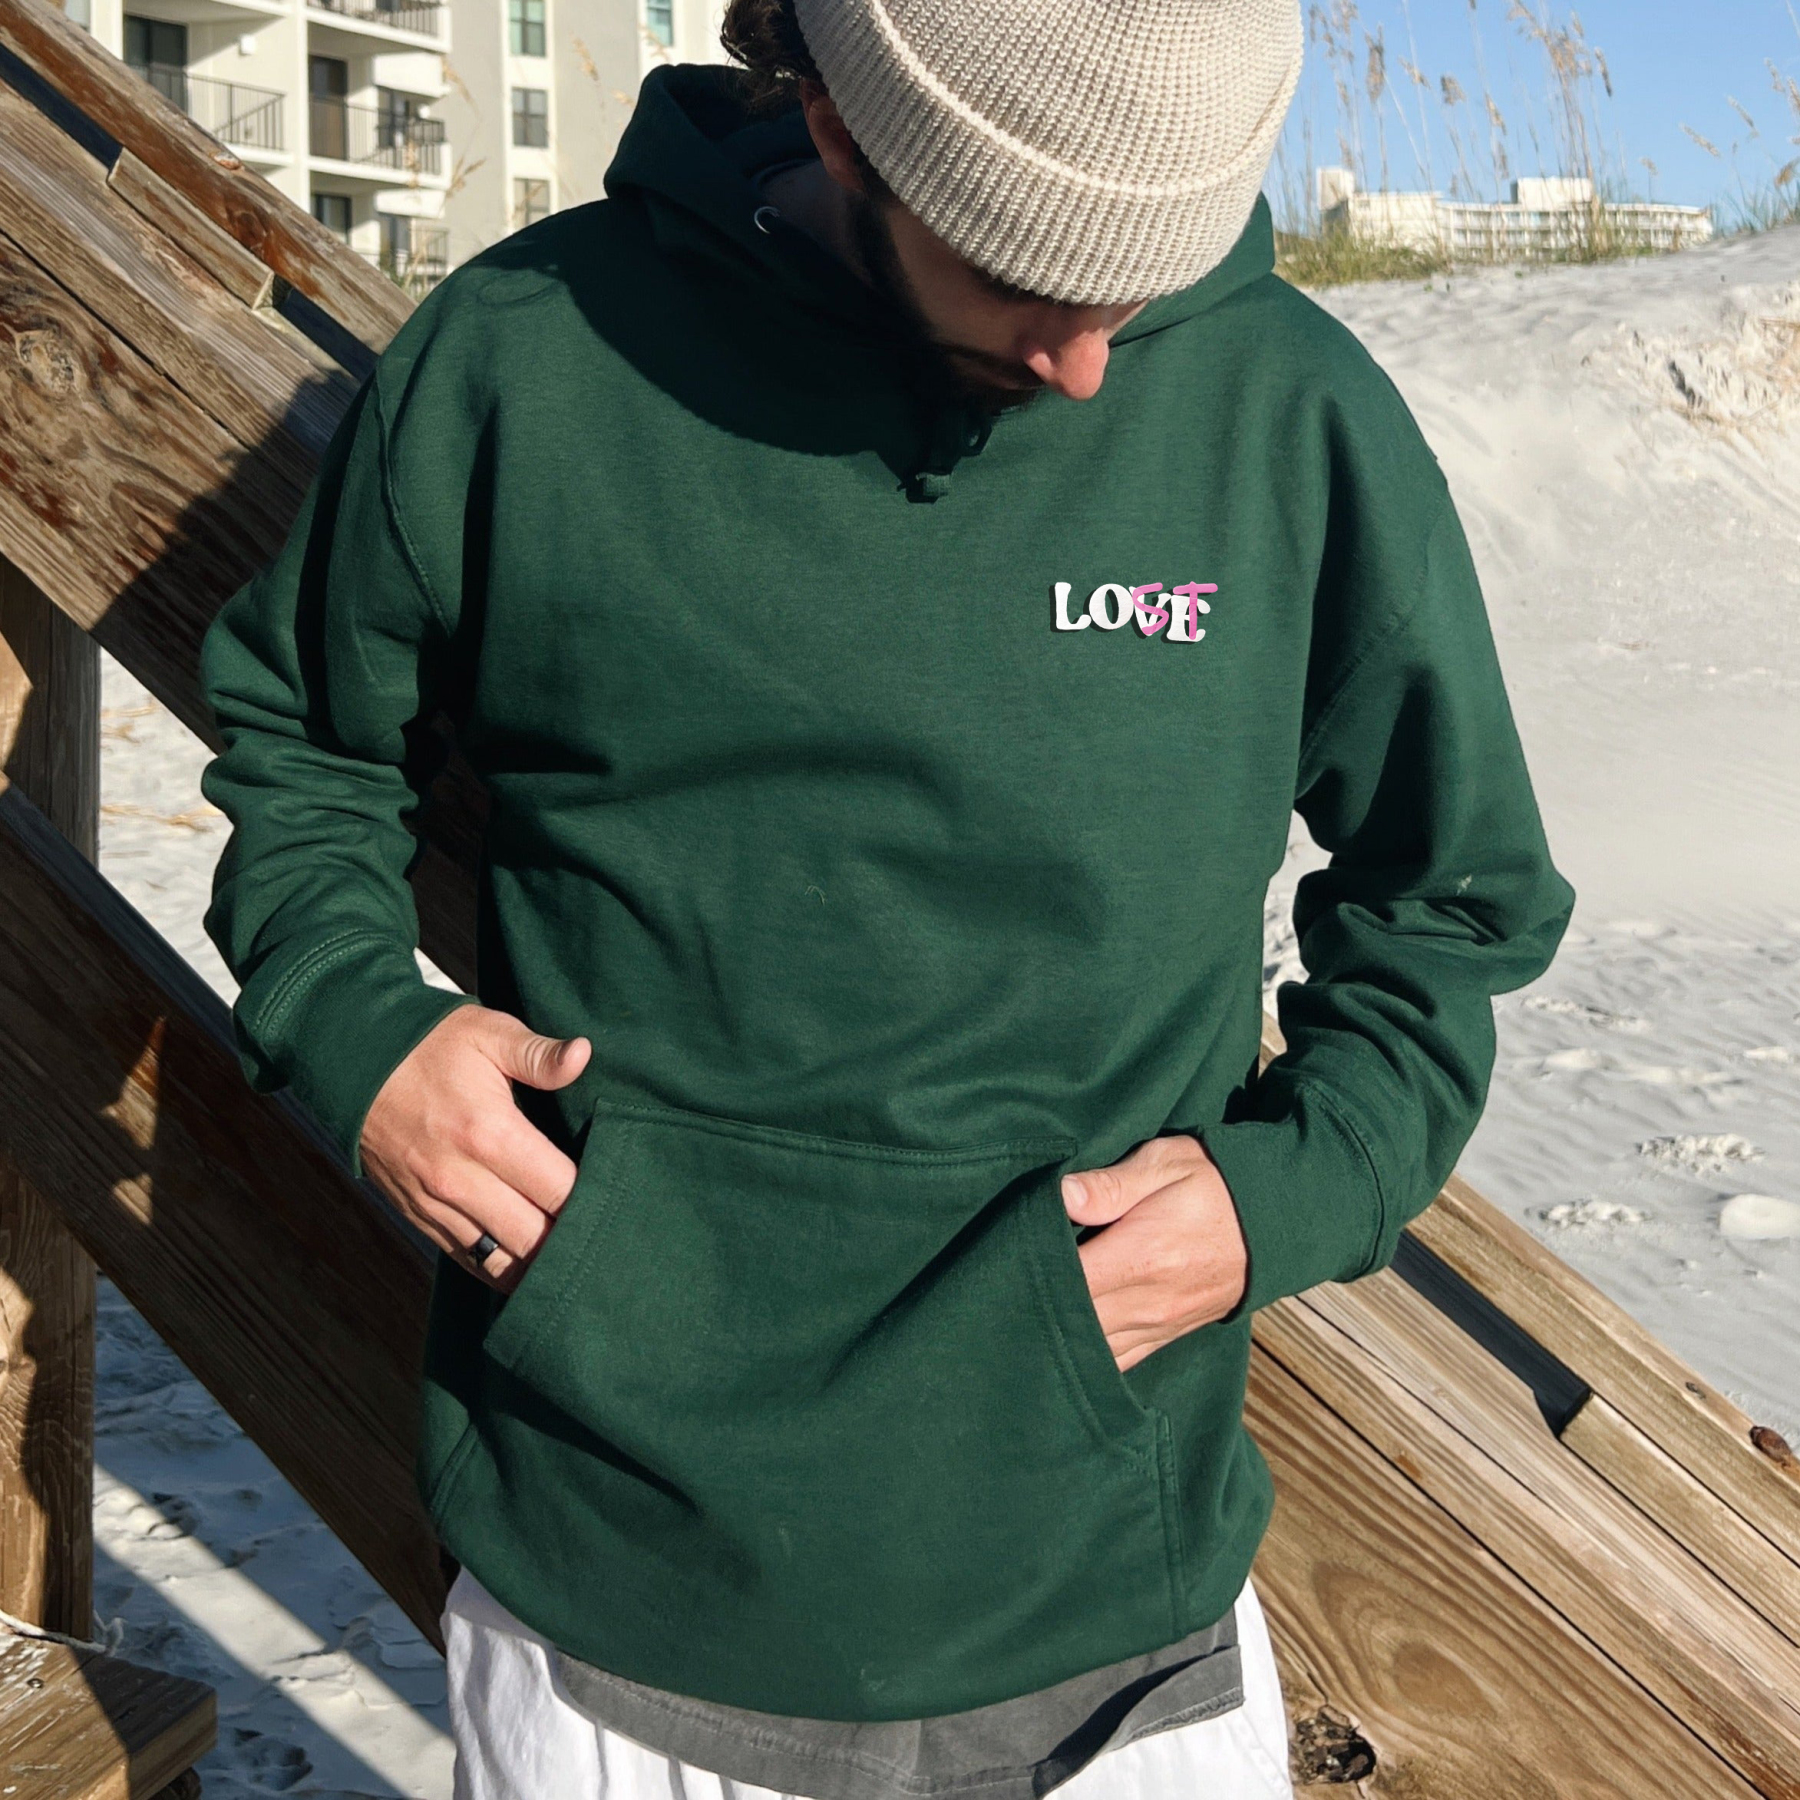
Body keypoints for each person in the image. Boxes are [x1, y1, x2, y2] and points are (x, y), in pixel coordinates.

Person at [198, 0, 1576, 1794]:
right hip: (613, 1592)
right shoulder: (531, 356)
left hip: (1120, 1612)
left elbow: (1450, 898)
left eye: (1138, 290)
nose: (1088, 367)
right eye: (1023, 279)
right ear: (841, 130)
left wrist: (1296, 1190)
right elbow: (304, 747)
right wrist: (358, 1026)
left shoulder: (1295, 413)